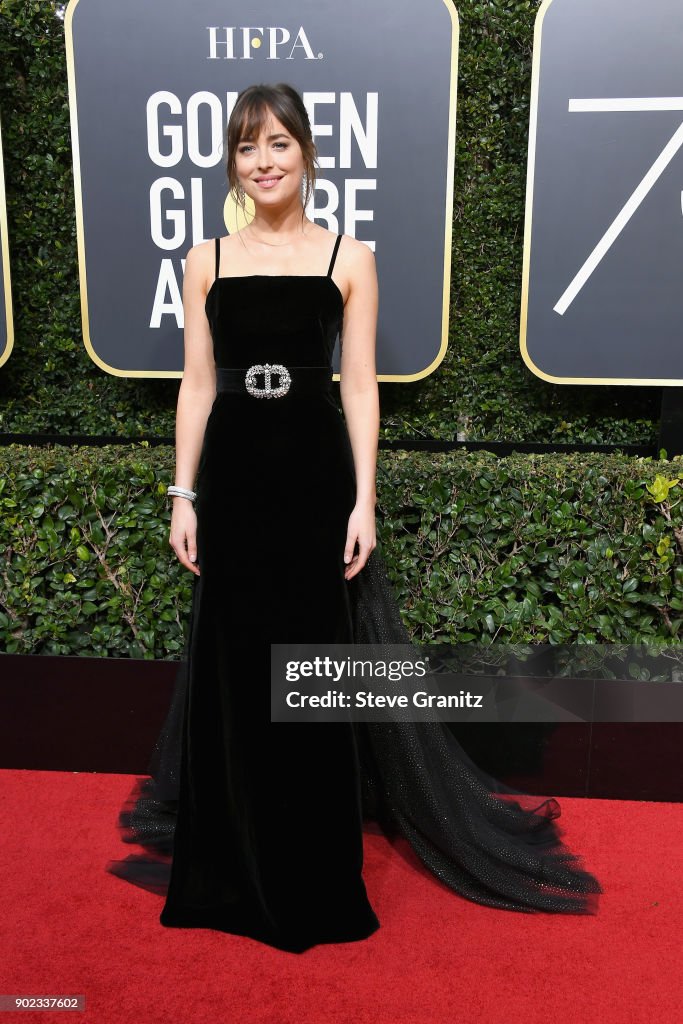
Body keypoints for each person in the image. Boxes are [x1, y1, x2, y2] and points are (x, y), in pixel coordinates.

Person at [106, 82, 602, 954]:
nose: (263, 162)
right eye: (247, 147)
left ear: (306, 154)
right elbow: (196, 385)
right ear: (232, 161)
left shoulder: (349, 256)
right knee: (234, 672)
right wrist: (183, 495)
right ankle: (229, 864)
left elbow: (360, 385)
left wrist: (362, 498)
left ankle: (308, 867)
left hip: (312, 488)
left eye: (279, 145)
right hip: (234, 490)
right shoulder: (206, 258)